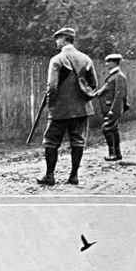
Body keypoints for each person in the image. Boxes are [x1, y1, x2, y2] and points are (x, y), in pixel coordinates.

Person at [36, 27, 98, 187]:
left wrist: (52, 105)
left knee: (51, 141)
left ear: (64, 39)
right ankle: (74, 176)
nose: (56, 42)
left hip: (61, 109)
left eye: (57, 39)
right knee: (78, 141)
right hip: (82, 108)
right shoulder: (86, 59)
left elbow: (52, 86)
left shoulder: (57, 59)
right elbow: (94, 84)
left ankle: (49, 176)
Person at [97, 52, 129, 162]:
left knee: (107, 129)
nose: (106, 64)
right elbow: (106, 90)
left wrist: (113, 110)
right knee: (113, 130)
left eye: (109, 62)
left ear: (115, 63)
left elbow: (119, 96)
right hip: (108, 108)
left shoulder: (119, 76)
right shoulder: (113, 76)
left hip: (112, 109)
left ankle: (113, 153)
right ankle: (117, 154)